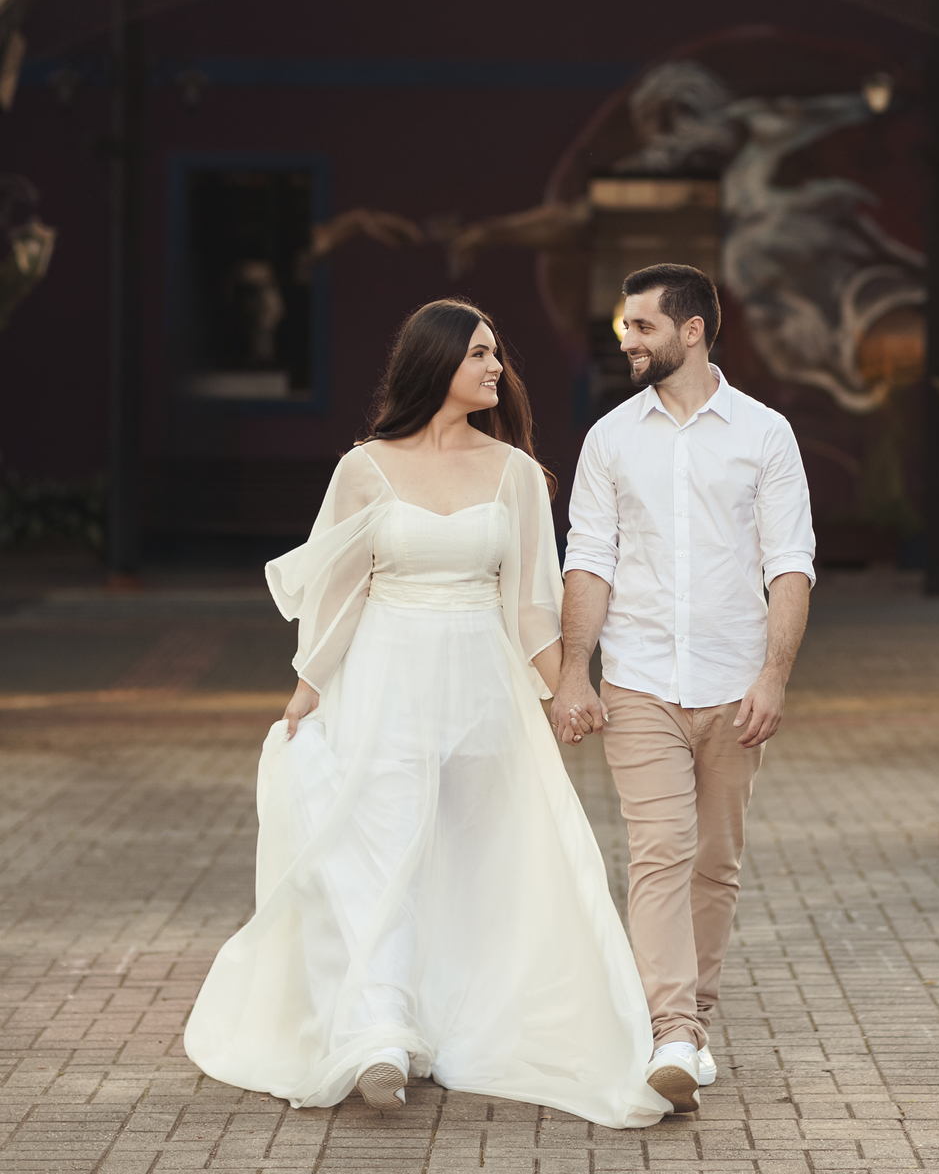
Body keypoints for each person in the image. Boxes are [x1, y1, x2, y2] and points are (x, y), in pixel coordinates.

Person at [185, 299, 668, 1129]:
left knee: (477, 859)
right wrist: (308, 689)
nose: (496, 368)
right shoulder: (365, 469)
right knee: (384, 856)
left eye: (496, 354)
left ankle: (457, 1018)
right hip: (386, 683)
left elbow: (530, 607)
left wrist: (569, 688)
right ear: (434, 363)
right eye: (479, 353)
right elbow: (338, 596)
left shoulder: (515, 474)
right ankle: (380, 1033)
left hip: (482, 690)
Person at [551, 264, 815, 1115]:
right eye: (625, 327)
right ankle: (670, 1030)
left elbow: (790, 563)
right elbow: (588, 560)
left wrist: (774, 676)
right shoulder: (609, 440)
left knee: (715, 862)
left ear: (692, 330)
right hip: (639, 680)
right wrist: (574, 670)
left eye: (642, 327)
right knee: (660, 850)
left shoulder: (766, 434)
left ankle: (692, 1023)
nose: (627, 340)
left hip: (735, 684)